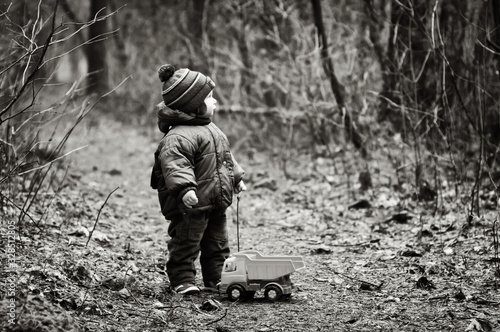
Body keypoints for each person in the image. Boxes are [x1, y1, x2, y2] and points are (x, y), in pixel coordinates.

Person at [150, 64, 246, 295]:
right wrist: (185, 189)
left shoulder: (213, 130)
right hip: (189, 206)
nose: (215, 102)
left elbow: (225, 159)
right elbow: (175, 165)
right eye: (210, 98)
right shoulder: (177, 137)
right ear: (193, 105)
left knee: (218, 243)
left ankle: (218, 279)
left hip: (215, 202)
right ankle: (182, 279)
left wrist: (236, 178)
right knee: (186, 242)